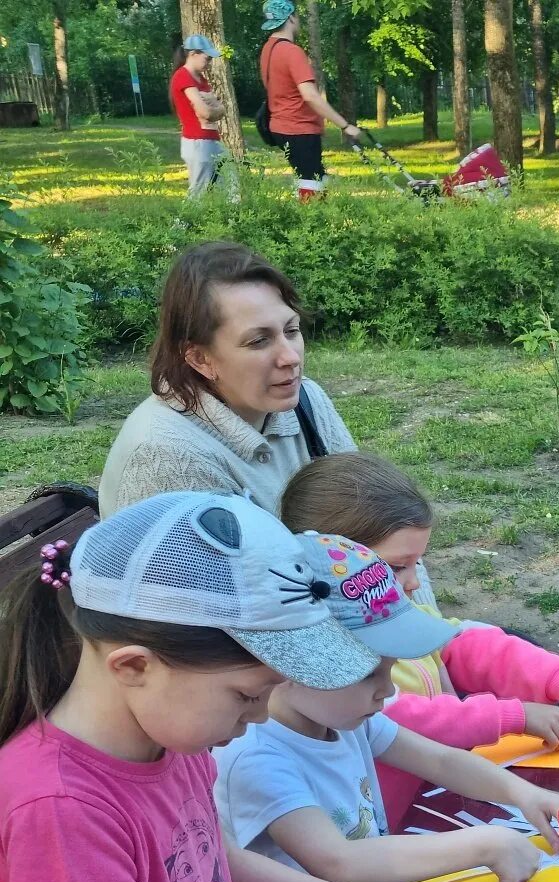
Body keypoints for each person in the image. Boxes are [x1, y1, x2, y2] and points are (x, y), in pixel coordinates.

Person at [0, 492, 438, 882]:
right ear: (133, 667)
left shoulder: (168, 737)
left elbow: (207, 861)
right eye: (247, 696)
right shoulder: (58, 808)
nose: (258, 718)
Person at [214, 532, 559, 882]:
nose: (387, 690)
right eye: (368, 674)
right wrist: (483, 844)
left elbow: (437, 760)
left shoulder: (347, 718)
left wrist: (521, 792)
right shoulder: (257, 758)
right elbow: (338, 862)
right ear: (290, 665)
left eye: (391, 670)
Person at [278, 451, 559, 824]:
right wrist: (514, 715)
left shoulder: (396, 616)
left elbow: (473, 644)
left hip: (430, 805)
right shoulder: (332, 664)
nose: (413, 583)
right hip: (392, 832)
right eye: (397, 566)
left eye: (417, 564)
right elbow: (403, 718)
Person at [100, 242, 357, 517]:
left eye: (291, 330)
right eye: (259, 341)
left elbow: (367, 509)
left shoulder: (307, 400)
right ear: (200, 359)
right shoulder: (165, 459)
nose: (290, 357)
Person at [258, 0, 363, 199]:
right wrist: (344, 125)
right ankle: (310, 226)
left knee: (318, 180)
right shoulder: (292, 51)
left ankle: (319, 220)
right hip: (299, 128)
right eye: (297, 17)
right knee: (311, 185)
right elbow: (310, 95)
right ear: (291, 18)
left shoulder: (268, 49)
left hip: (280, 127)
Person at [170, 34, 224, 197]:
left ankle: (226, 221)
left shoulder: (200, 79)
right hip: (197, 142)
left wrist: (217, 110)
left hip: (210, 140)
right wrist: (218, 111)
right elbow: (205, 112)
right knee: (198, 194)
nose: (209, 63)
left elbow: (215, 109)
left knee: (226, 188)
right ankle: (181, 223)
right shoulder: (183, 76)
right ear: (193, 54)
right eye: (207, 59)